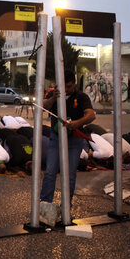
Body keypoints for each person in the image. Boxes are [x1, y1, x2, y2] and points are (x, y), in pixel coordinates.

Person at [40, 70, 95, 221]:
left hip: (74, 140)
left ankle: (66, 207)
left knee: (69, 175)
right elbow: (42, 106)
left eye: (69, 87)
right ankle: (44, 206)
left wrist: (76, 123)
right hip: (56, 138)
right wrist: (53, 99)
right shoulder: (54, 95)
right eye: (63, 87)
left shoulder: (81, 97)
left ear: (74, 84)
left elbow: (91, 114)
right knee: (50, 172)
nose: (66, 90)